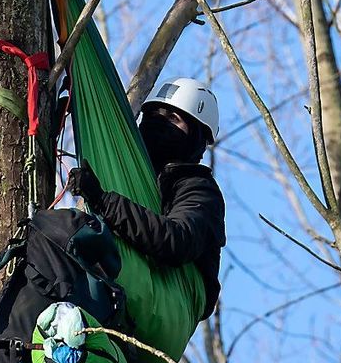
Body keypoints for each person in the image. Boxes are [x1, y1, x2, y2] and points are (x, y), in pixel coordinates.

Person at [66, 77, 225, 320]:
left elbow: (177, 239)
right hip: (128, 292)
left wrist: (102, 200)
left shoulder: (199, 189)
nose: (159, 123)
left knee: (63, 231)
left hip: (166, 307)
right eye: (154, 115)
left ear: (196, 137)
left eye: (173, 119)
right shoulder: (131, 174)